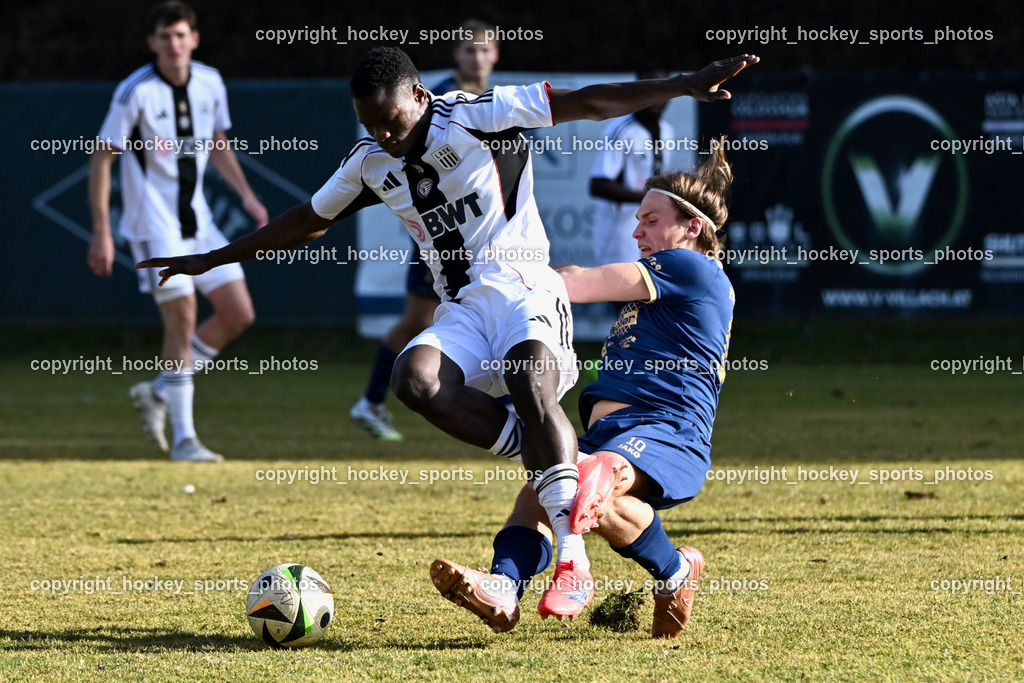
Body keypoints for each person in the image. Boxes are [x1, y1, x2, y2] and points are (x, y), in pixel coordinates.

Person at [137, 48, 758, 617]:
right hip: (462, 306)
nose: (384, 135)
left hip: (524, 283)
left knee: (529, 378)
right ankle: (550, 461)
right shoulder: (370, 161)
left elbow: (587, 102)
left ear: (417, 97)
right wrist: (212, 257)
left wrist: (685, 86)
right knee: (415, 380)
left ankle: (572, 558)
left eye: (392, 121)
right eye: (370, 125)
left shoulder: (484, 113)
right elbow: (306, 220)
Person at [430, 145, 736, 637]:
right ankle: (507, 587)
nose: (637, 231)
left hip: (667, 429)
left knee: (587, 478)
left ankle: (613, 574)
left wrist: (504, 275)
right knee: (540, 493)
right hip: (615, 432)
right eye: (638, 219)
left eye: (651, 220)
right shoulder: (671, 282)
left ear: (692, 228)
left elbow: (575, 282)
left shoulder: (689, 267)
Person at [88, 1, 268, 462]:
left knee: (237, 314)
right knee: (183, 316)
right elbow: (103, 157)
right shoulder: (136, 92)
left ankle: (159, 391)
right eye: (165, 36)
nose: (174, 44)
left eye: (181, 34)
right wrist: (103, 232)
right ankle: (186, 440)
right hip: (153, 225)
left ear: (194, 38)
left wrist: (247, 196)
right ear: (152, 43)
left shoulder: (210, 82)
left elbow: (218, 144)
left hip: (199, 222)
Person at [350, 20, 500, 441]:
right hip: (443, 235)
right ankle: (373, 400)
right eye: (469, 51)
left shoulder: (490, 101)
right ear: (456, 55)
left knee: (462, 317)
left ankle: (503, 405)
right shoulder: (429, 101)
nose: (477, 58)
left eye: (484, 50)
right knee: (416, 320)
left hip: (482, 237)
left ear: (496, 55)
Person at [589, 70, 674, 266]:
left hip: (653, 230)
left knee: (650, 291)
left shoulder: (667, 130)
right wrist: (651, 199)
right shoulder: (622, 130)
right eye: (646, 90)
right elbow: (599, 184)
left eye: (659, 91)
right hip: (620, 234)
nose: (653, 98)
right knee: (621, 292)